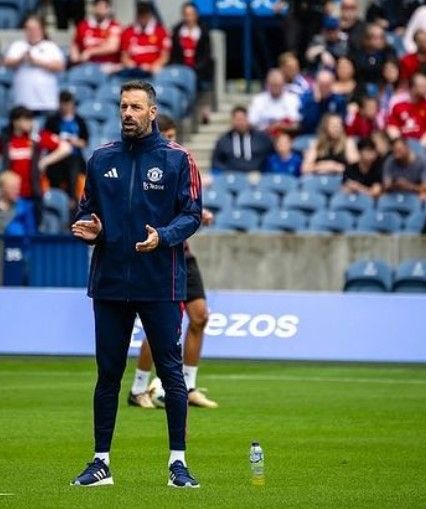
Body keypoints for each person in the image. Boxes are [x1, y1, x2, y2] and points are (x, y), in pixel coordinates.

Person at [70, 80, 202, 488]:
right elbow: (87, 210)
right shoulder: (100, 159)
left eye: (135, 107)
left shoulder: (179, 159)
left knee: (171, 373)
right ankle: (100, 463)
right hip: (109, 283)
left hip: (160, 283)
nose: (127, 113)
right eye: (123, 106)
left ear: (152, 112)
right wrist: (89, 228)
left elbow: (192, 213)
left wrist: (163, 236)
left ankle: (177, 464)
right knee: (107, 373)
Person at [128, 113, 217, 410]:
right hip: (159, 256)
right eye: (167, 136)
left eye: (173, 136)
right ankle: (139, 388)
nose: (171, 142)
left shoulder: (179, 164)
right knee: (161, 326)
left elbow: (187, 206)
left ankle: (189, 386)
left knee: (200, 316)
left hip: (183, 253)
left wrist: (197, 214)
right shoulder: (145, 168)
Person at [0, 106, 72, 205]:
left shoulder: (37, 138)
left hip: (33, 194)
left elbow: (66, 148)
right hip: (12, 195)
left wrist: (44, 161)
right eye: (27, 119)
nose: (30, 122)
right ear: (16, 121)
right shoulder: (5, 140)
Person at [4, 15, 64, 114]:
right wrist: (22, 59)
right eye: (29, 29)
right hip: (23, 102)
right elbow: (7, 62)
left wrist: (37, 62)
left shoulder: (51, 46)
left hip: (46, 102)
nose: (32, 32)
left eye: (35, 29)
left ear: (42, 30)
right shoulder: (18, 45)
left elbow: (59, 66)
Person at [169, 1, 213, 123]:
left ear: (196, 15)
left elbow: (207, 54)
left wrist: (196, 68)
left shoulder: (203, 31)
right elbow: (173, 53)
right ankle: (184, 113)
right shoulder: (177, 30)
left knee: (203, 82)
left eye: (191, 14)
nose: (189, 17)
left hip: (199, 68)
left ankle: (204, 113)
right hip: (181, 69)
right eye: (186, 14)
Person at [43, 91, 89, 199]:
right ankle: (55, 196)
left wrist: (74, 141)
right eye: (63, 104)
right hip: (57, 156)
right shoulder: (52, 121)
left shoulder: (79, 121)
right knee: (53, 169)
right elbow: (47, 139)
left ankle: (72, 199)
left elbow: (84, 142)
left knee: (73, 167)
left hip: (75, 157)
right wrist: (58, 140)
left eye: (67, 104)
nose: (65, 107)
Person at [211, 106, 272, 173]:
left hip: (258, 178)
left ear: (247, 119)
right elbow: (217, 163)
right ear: (232, 121)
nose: (240, 123)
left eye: (243, 119)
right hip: (231, 179)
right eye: (237, 120)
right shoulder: (224, 141)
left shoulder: (261, 139)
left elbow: (271, 158)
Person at [386, 73, 426, 147]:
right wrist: (401, 144)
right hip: (404, 146)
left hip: (425, 144)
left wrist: (421, 144)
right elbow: (392, 128)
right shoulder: (398, 106)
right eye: (422, 86)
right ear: (413, 87)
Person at [119, 1, 170, 78]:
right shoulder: (128, 31)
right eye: (140, 14)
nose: (143, 17)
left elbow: (165, 56)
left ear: (150, 14)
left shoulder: (160, 31)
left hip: (153, 70)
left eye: (145, 14)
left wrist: (153, 66)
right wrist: (134, 65)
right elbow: (124, 57)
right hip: (134, 70)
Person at [0, 171, 37, 236]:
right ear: (2, 189)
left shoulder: (25, 208)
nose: (17, 191)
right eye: (13, 188)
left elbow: (31, 234)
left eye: (18, 187)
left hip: (17, 244)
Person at [70, 0, 121, 70]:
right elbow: (75, 44)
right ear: (94, 7)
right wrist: (76, 59)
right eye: (99, 6)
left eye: (104, 7)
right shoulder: (83, 25)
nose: (101, 9)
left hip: (108, 65)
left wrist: (89, 52)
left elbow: (112, 47)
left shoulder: (114, 26)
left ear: (109, 9)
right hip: (86, 65)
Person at [247, 69, 300, 134]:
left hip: (285, 135)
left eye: (278, 85)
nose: (276, 88)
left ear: (284, 84)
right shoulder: (258, 100)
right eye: (273, 85)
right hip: (263, 134)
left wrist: (279, 126)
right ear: (267, 85)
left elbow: (296, 124)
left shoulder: (292, 99)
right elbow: (251, 122)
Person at [381, 137, 426, 201]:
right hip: (396, 192)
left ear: (407, 148)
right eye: (394, 151)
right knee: (383, 196)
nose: (397, 155)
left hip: (416, 193)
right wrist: (396, 185)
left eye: (399, 150)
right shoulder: (390, 161)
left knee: (424, 195)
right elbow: (386, 186)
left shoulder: (422, 161)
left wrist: (408, 186)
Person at [299, 69, 347, 134]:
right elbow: (307, 123)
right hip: (311, 134)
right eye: (321, 85)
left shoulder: (339, 100)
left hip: (332, 135)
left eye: (327, 85)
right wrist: (316, 102)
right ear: (316, 84)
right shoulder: (307, 98)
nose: (324, 88)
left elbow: (342, 121)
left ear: (332, 84)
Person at [350, 24, 397, 88]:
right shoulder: (358, 53)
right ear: (367, 39)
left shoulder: (389, 52)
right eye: (375, 37)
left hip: (382, 87)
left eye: (381, 37)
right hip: (360, 86)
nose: (379, 41)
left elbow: (391, 67)